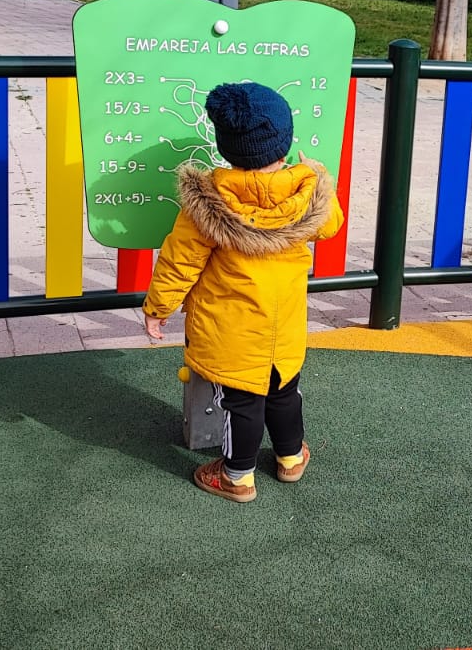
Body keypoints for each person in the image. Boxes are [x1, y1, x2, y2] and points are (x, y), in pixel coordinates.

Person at [142, 82, 344, 503]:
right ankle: (290, 458)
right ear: (285, 142)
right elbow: (331, 224)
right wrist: (319, 175)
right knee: (284, 392)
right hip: (283, 329)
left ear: (226, 146)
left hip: (231, 333)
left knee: (242, 404)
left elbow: (180, 261)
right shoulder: (306, 192)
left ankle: (237, 476)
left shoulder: (208, 202)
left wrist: (158, 307)